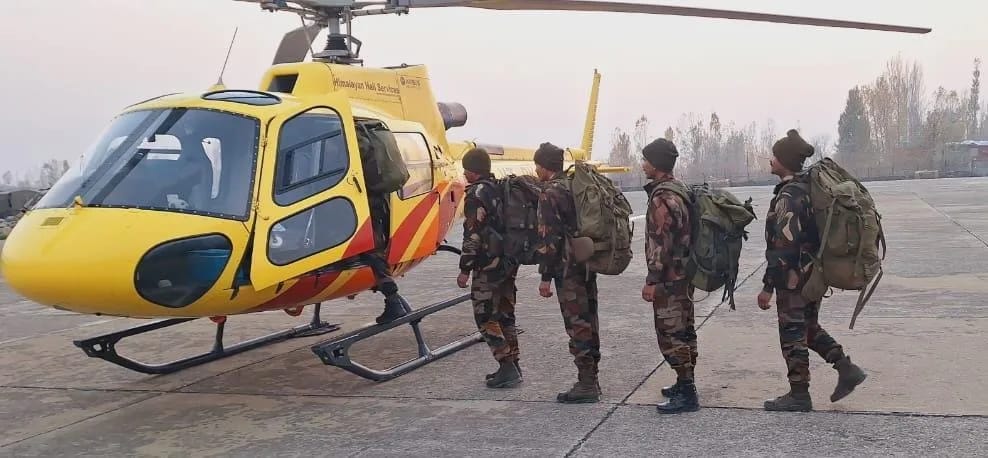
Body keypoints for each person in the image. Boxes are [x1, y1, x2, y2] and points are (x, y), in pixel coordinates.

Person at [758, 129, 867, 412]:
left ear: (783, 161)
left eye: (774, 156)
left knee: (792, 334)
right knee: (808, 328)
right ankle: (846, 368)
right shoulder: (807, 188)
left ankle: (799, 394)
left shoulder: (789, 196)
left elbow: (784, 246)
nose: (771, 160)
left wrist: (768, 286)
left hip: (793, 278)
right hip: (812, 274)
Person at [533, 142, 602, 403]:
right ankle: (592, 378)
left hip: (567, 269)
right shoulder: (575, 185)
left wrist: (545, 277)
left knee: (577, 324)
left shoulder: (550, 193)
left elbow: (548, 238)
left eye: (537, 165)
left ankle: (587, 384)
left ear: (544, 166)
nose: (536, 170)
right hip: (586, 262)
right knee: (589, 320)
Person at [639, 138, 700, 414]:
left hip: (669, 278)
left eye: (646, 160)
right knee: (685, 329)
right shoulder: (680, 189)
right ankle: (685, 382)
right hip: (684, 273)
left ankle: (687, 394)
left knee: (671, 333)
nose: (643, 165)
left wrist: (652, 280)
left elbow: (660, 243)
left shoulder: (661, 197)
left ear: (656, 164)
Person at [456, 147, 522, 388]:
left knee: (484, 315)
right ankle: (513, 364)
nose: (464, 174)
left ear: (473, 171)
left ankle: (506, 365)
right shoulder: (501, 189)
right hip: (509, 262)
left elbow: (473, 235)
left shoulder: (476, 195)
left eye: (466, 170)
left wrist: (465, 269)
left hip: (488, 265)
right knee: (505, 314)